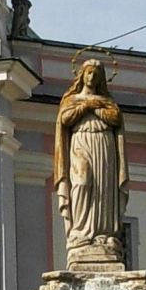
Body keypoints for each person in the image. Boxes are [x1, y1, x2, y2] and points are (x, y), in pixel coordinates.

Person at [53, 58, 127, 266]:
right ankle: (81, 231)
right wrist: (86, 105)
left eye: (96, 74)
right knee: (82, 183)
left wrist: (97, 107)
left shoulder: (108, 101)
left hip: (103, 145)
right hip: (80, 142)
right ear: (82, 75)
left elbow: (115, 119)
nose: (92, 77)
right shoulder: (72, 99)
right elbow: (65, 119)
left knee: (104, 188)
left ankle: (104, 233)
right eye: (89, 73)